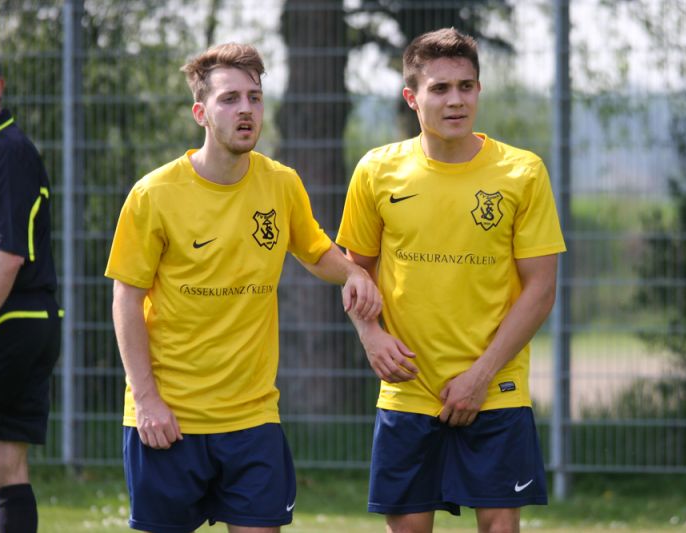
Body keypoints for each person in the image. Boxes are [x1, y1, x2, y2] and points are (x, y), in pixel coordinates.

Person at [105, 42, 381, 533]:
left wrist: (353, 273)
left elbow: (315, 250)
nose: (246, 109)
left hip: (253, 417)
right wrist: (146, 400)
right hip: (170, 416)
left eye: (254, 97)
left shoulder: (282, 183)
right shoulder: (154, 194)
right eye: (229, 99)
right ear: (201, 113)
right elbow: (126, 298)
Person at [337, 28, 567, 533]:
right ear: (412, 97)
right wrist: (371, 335)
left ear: (479, 90)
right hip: (409, 387)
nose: (455, 100)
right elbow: (355, 272)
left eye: (466, 86)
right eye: (439, 88)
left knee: (500, 527)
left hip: (496, 386)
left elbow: (541, 289)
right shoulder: (376, 171)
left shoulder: (522, 172)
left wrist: (480, 376)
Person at [0, 51, 62, 533]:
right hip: (31, 319)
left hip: (12, 320)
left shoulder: (6, 151)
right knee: (6, 462)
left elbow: (8, 256)